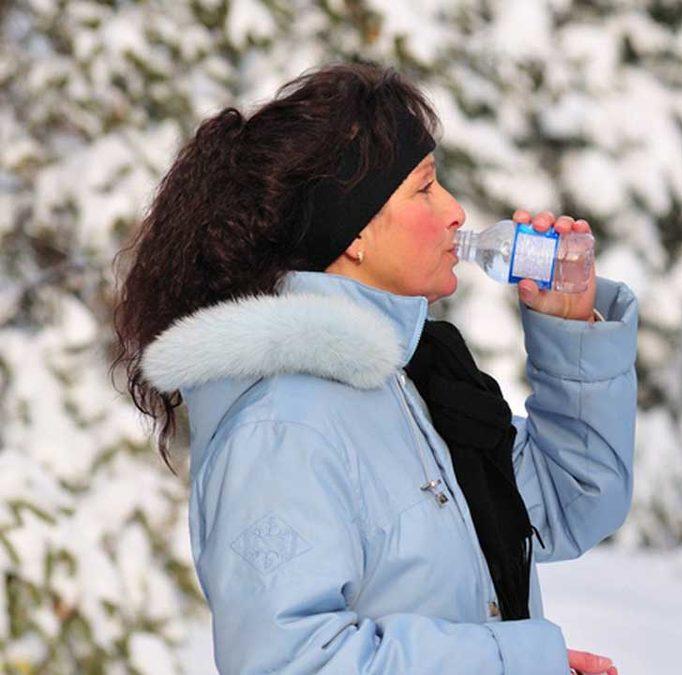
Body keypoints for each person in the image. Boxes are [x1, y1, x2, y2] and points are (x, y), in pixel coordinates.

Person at [110, 60, 637, 674]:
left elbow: (569, 502)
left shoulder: (416, 388)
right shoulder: (282, 427)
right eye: (424, 187)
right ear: (353, 232)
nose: (456, 212)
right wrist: (513, 665)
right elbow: (294, 663)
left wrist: (570, 328)